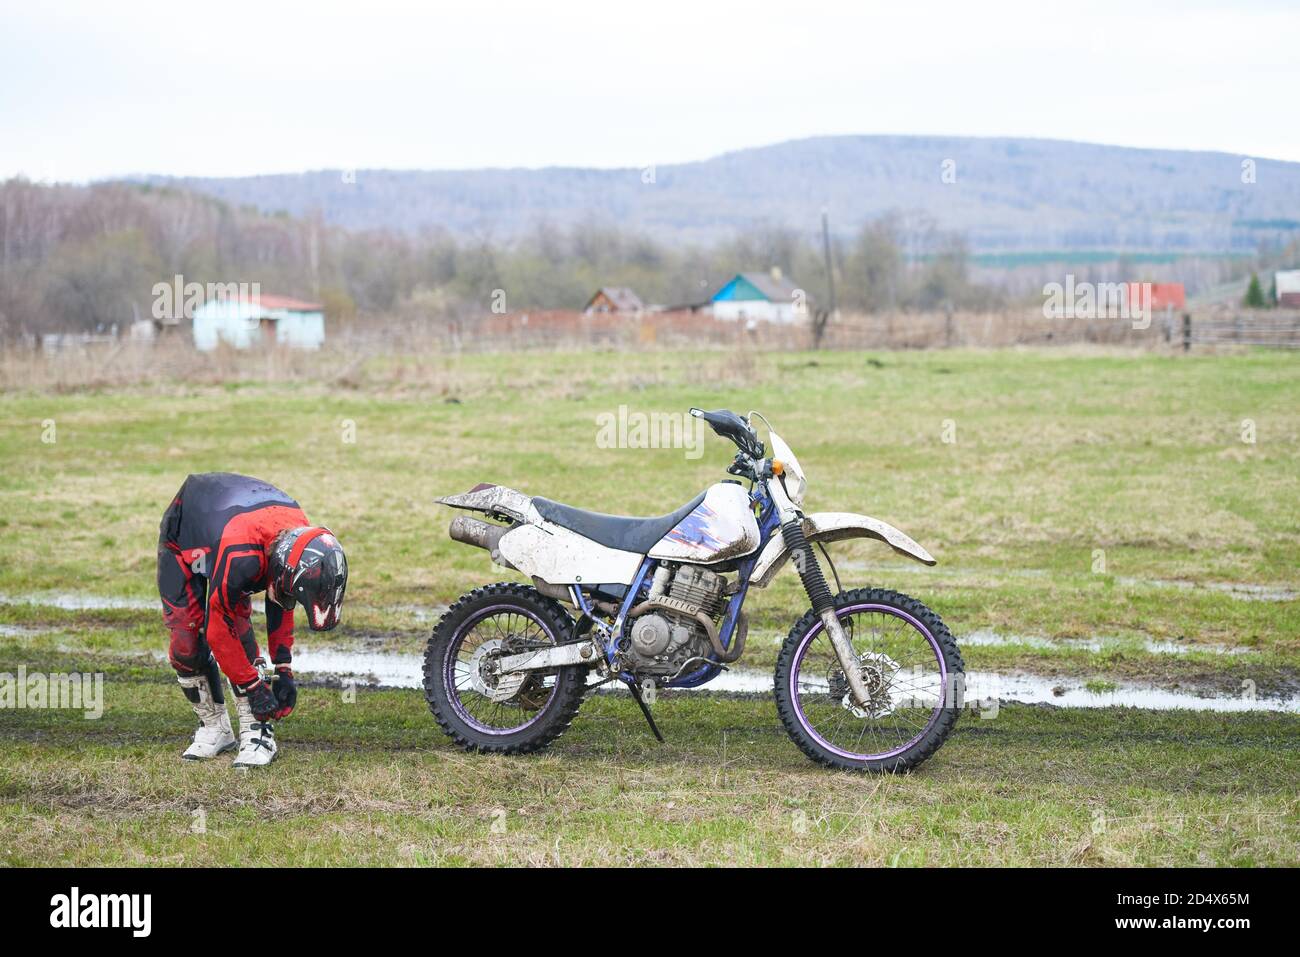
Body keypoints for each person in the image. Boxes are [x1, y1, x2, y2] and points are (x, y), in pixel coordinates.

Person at [157, 472, 347, 767]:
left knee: (238, 627)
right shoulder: (242, 554)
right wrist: (255, 688)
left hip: (233, 525)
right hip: (185, 533)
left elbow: (281, 600)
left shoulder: (303, 537)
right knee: (188, 640)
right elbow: (219, 632)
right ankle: (215, 728)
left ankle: (256, 734)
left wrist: (284, 669)